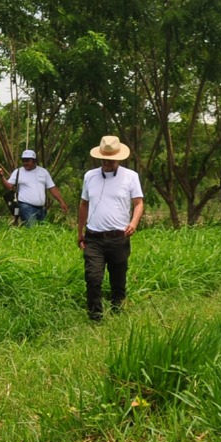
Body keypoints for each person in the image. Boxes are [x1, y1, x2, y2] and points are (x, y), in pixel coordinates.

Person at [77, 135, 144, 322]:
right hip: (94, 238)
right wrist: (80, 232)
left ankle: (117, 312)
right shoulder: (89, 176)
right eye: (104, 159)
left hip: (118, 238)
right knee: (93, 278)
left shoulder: (131, 177)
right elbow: (83, 204)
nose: (107, 163)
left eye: (111, 159)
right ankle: (95, 317)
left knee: (118, 280)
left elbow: (138, 203)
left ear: (118, 158)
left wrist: (134, 223)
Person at [0, 149, 67, 227]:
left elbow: (52, 188)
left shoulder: (43, 172)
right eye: (23, 160)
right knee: (32, 230)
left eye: (28, 161)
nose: (25, 163)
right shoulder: (18, 172)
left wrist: (61, 201)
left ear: (34, 160)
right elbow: (9, 186)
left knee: (41, 231)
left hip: (41, 209)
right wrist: (1, 176)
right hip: (26, 207)